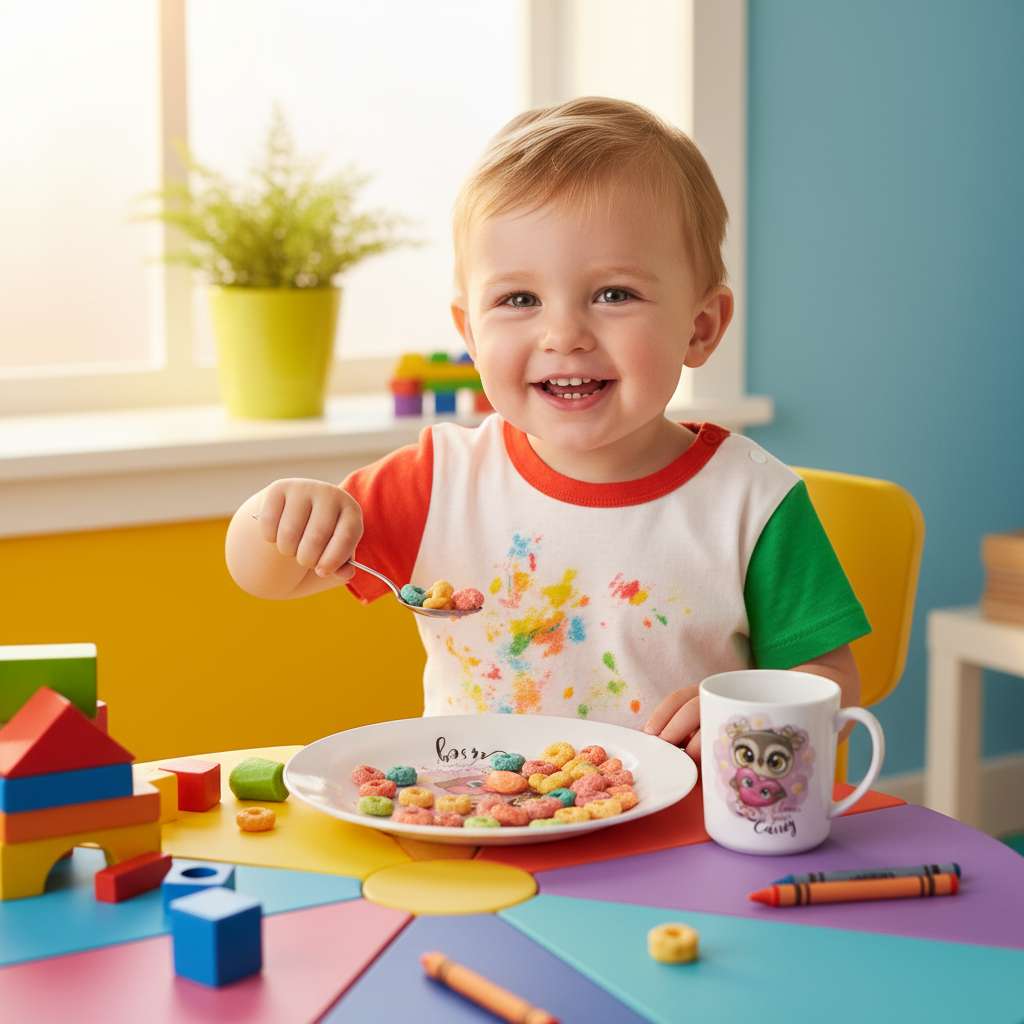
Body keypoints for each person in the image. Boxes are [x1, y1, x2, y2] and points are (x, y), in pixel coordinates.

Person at [225, 97, 870, 762]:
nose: (563, 335)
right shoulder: (441, 480)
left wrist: (749, 718)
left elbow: (834, 687)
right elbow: (265, 577)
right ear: (470, 333)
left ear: (700, 327)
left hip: (681, 839)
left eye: (614, 294)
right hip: (475, 826)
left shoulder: (753, 503)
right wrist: (276, 515)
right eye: (518, 300)